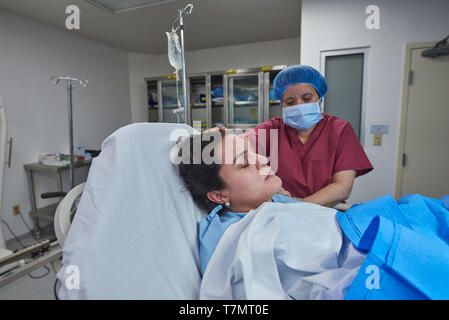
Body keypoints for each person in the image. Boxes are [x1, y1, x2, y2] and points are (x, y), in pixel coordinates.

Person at [177, 130, 449, 299]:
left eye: (253, 151)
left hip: (375, 224)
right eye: (246, 163)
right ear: (219, 196)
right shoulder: (232, 236)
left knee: (426, 209)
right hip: (374, 257)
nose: (263, 160)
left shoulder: (273, 200)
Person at [244, 64, 373, 208]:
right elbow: (235, 147)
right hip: (280, 212)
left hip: (324, 212)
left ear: (320, 99)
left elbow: (342, 187)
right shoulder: (272, 129)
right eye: (290, 102)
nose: (299, 105)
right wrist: (220, 137)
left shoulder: (340, 130)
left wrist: (297, 206)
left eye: (307, 98)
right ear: (282, 105)